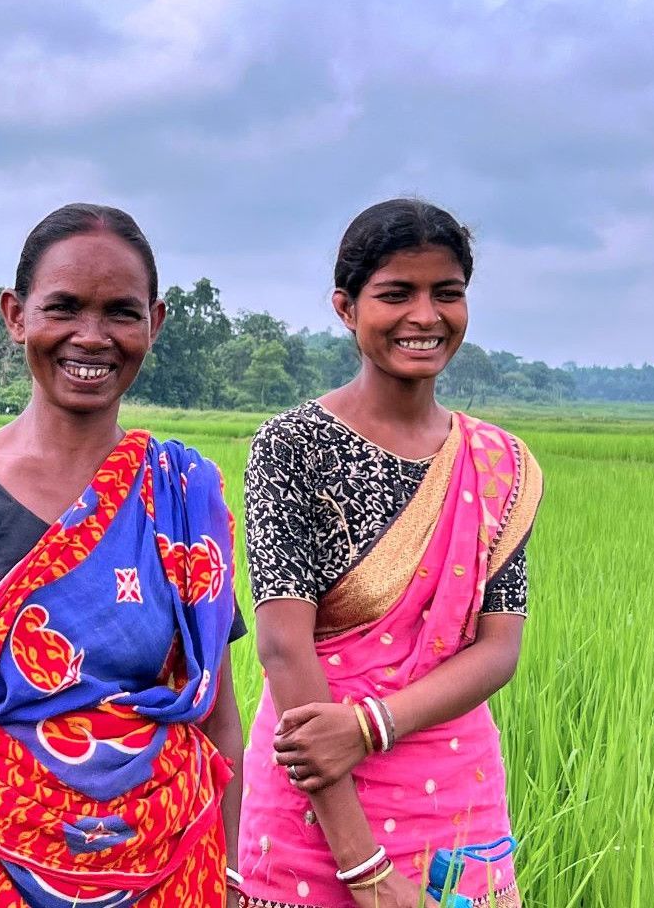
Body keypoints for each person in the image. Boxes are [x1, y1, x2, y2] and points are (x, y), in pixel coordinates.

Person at [0, 203, 246, 907]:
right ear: (15, 315)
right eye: (63, 307)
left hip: (162, 865)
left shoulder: (181, 500)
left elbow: (215, 714)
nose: (90, 338)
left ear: (154, 324)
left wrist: (236, 877)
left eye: (120, 313)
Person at [236, 199, 539, 908]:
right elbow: (285, 650)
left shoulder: (501, 464)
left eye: (448, 293)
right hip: (316, 804)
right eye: (397, 293)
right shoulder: (291, 448)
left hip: (456, 798)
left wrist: (371, 724)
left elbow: (499, 650)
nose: (425, 316)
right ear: (347, 308)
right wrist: (364, 866)